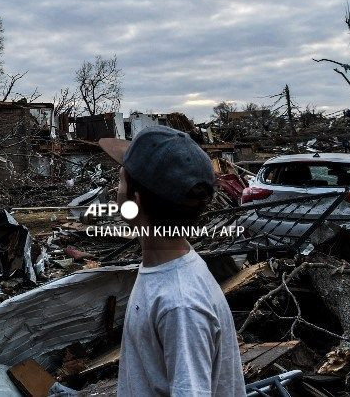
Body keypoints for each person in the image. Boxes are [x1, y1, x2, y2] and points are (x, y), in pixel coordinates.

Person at [98, 126, 245, 396]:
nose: (114, 189)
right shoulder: (169, 266)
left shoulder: (180, 305)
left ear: (136, 201)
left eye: (119, 180)